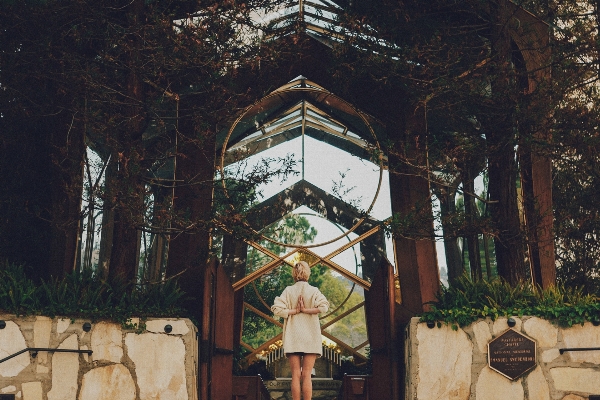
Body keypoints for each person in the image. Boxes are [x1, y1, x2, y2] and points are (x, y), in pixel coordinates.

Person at [271, 261, 329, 400]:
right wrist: (306, 310)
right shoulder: (314, 290)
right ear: (307, 273)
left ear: (294, 274)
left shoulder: (288, 291)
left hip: (293, 337)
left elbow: (276, 309)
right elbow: (324, 307)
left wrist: (295, 311)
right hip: (311, 337)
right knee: (307, 374)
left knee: (296, 374)